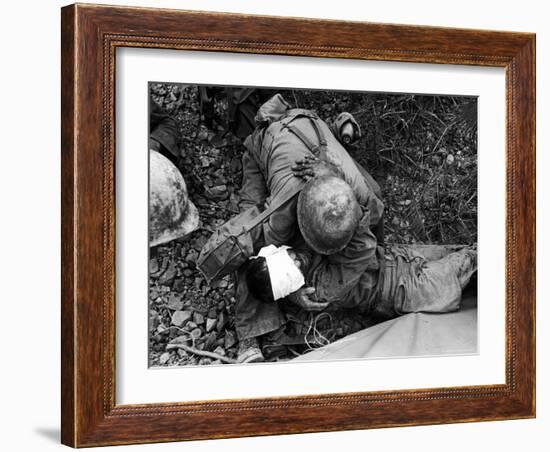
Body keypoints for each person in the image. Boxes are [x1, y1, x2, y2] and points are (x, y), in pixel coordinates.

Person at [198, 94, 384, 362]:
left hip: (313, 133)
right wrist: (294, 291)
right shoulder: (280, 216)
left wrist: (323, 291)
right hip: (264, 150)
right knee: (251, 248)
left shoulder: (362, 199)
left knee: (375, 202)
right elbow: (239, 244)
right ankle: (251, 335)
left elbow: (362, 246)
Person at [245, 176, 477, 324]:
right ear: (291, 284)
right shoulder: (321, 289)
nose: (297, 260)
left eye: (289, 257)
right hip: (399, 290)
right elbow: (362, 248)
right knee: (462, 269)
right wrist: (343, 199)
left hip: (395, 257)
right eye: (292, 273)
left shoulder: (298, 253)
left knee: (461, 256)